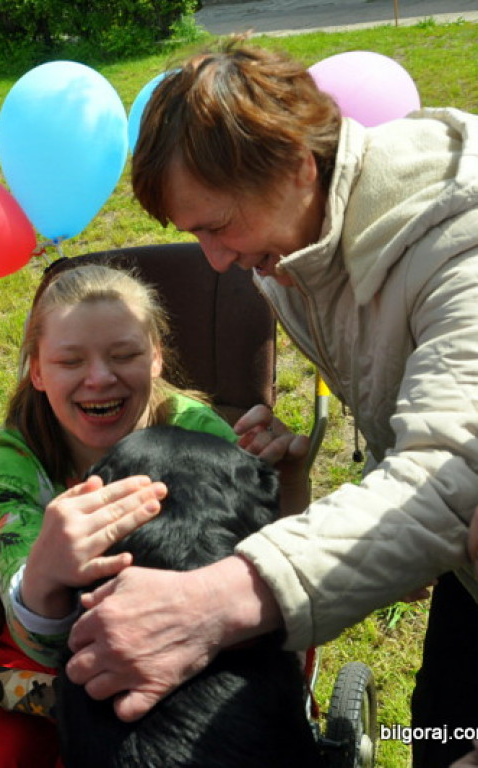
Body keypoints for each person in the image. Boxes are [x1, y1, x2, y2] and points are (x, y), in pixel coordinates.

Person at [63, 39, 478, 768]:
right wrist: (394, 520)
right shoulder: (286, 253)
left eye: (217, 225)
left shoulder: (460, 240)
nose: (215, 260)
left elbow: (450, 467)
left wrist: (213, 602)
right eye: (194, 233)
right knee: (443, 731)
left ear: (296, 166)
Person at [0, 261, 309, 766]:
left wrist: (290, 481)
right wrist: (45, 576)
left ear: (156, 357)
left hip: (189, 618)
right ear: (37, 371)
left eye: (124, 355)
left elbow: (266, 552)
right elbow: (39, 642)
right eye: (70, 361)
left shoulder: (195, 429)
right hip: (54, 640)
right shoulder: (11, 467)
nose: (99, 378)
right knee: (6, 752)